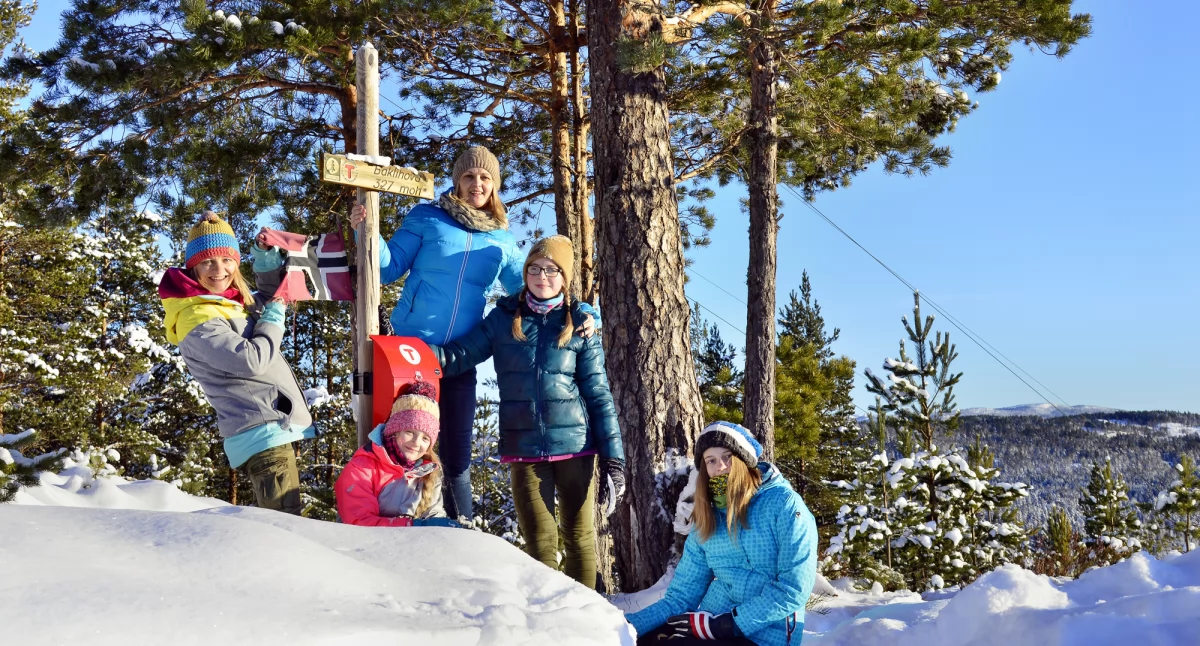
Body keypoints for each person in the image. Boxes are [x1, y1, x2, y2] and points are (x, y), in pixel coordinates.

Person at [349, 145, 597, 521]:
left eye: (485, 178)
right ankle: (395, 527)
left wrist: (583, 310)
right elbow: (387, 268)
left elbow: (535, 289)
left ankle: (459, 531)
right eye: (468, 176)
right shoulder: (427, 218)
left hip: (459, 358)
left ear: (494, 186)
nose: (476, 184)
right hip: (410, 354)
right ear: (457, 181)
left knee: (456, 456)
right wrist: (368, 231)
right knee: (401, 446)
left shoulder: (501, 240)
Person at [430, 235, 623, 588]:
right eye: (534, 268)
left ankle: (587, 626)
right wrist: (409, 347)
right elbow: (457, 356)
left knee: (579, 539)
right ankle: (546, 625)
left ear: (564, 277)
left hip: (576, 447)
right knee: (538, 544)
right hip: (523, 448)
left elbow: (598, 394)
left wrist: (614, 460)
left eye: (552, 270)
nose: (542, 276)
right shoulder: (504, 319)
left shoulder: (580, 323)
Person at [159, 212, 316, 515]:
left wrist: (266, 259)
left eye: (227, 260)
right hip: (262, 434)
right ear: (193, 268)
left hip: (272, 430)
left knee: (288, 528)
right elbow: (252, 360)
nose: (219, 270)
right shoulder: (198, 317)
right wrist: (273, 317)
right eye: (208, 262)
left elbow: (271, 295)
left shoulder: (229, 303)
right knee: (286, 531)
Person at [625, 422, 817, 645]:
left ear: (745, 460)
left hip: (765, 634)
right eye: (711, 460)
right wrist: (624, 627)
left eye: (728, 456)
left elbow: (793, 588)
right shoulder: (708, 516)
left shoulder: (783, 504)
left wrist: (727, 624)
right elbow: (681, 596)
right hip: (709, 626)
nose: (721, 467)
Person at [335, 381, 459, 527]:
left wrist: (440, 527)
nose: (416, 442)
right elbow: (359, 524)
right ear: (393, 431)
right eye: (409, 432)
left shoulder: (428, 473)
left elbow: (433, 513)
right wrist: (412, 525)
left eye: (425, 438)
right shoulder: (362, 469)